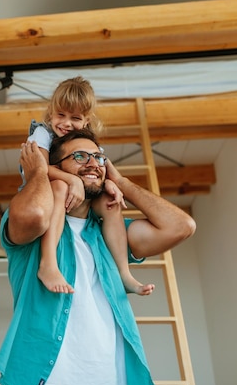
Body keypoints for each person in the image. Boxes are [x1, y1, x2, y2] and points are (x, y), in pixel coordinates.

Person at [0, 128, 196, 385]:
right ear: (59, 167)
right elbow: (33, 212)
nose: (92, 163)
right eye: (79, 156)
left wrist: (120, 181)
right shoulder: (38, 232)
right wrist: (39, 172)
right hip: (46, 383)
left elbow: (181, 226)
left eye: (98, 157)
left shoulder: (111, 235)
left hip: (115, 384)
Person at [22, 76, 153, 296]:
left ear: (86, 121)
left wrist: (111, 184)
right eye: (60, 115)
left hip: (78, 196)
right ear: (51, 112)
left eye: (75, 118)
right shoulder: (43, 133)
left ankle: (123, 273)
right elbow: (40, 168)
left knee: (110, 202)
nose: (66, 123)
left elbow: (101, 170)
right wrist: (71, 179)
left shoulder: (88, 143)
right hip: (44, 191)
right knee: (61, 187)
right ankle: (48, 264)